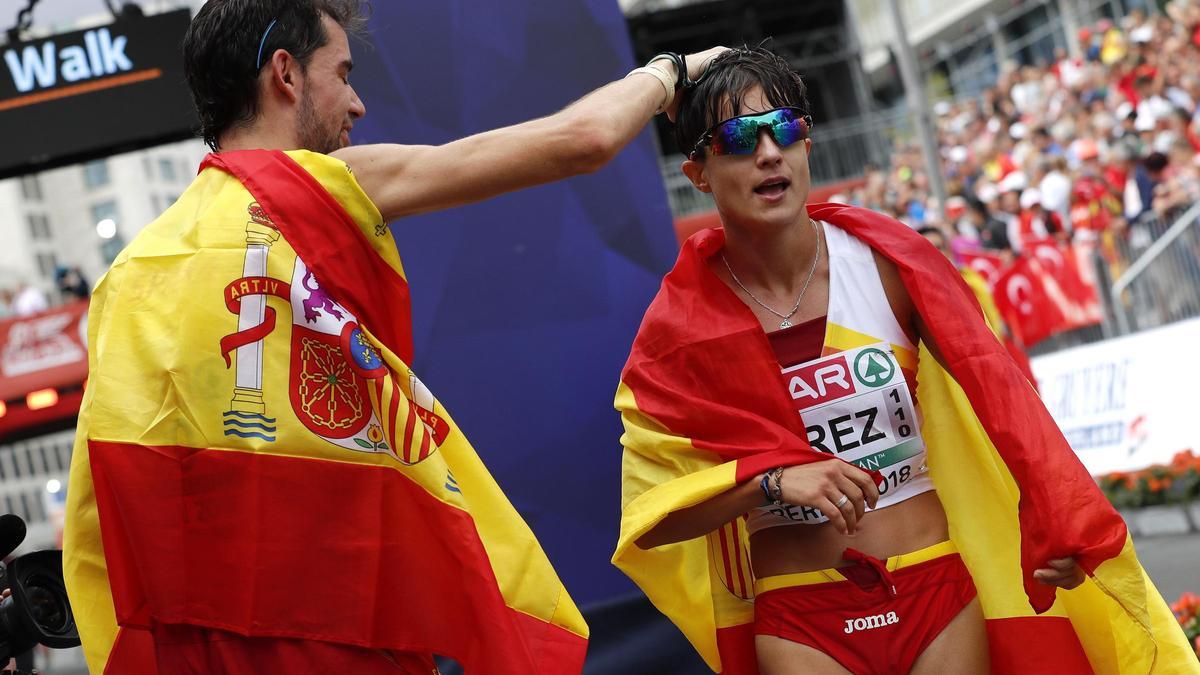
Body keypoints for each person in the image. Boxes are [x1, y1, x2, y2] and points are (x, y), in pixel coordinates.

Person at [62, 1, 725, 673]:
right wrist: (672, 71)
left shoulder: (135, 271)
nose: (357, 104)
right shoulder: (327, 186)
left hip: (210, 639)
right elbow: (580, 141)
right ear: (286, 75)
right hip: (343, 621)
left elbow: (103, 507)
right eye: (343, 73)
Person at [613, 46, 1196, 675]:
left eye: (786, 128)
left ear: (807, 145)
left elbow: (1004, 405)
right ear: (698, 171)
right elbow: (654, 519)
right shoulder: (681, 326)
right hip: (800, 616)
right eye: (738, 137)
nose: (769, 152)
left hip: (937, 593)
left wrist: (1052, 517)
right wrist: (771, 482)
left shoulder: (890, 266)